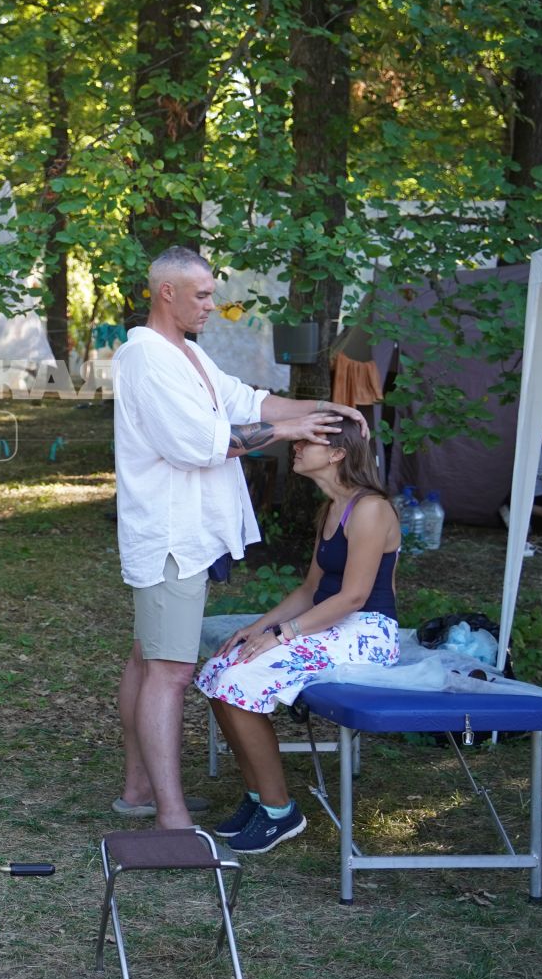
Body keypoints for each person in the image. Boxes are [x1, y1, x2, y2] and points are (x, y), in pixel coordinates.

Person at [112, 246, 362, 831]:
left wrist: (323, 407)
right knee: (170, 671)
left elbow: (248, 401)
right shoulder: (146, 358)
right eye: (200, 294)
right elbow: (200, 445)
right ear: (165, 293)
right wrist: (289, 430)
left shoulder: (187, 354)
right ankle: (170, 817)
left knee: (149, 656)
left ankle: (139, 787)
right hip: (171, 536)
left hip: (186, 534)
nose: (210, 304)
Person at [196, 427, 402, 853]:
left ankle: (280, 810)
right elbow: (311, 589)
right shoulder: (333, 508)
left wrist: (282, 635)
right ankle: (257, 795)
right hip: (330, 624)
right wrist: (259, 627)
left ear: (338, 454)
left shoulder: (371, 509)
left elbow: (354, 596)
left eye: (309, 443)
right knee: (220, 670)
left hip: (368, 631)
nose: (298, 446)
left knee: (240, 681)